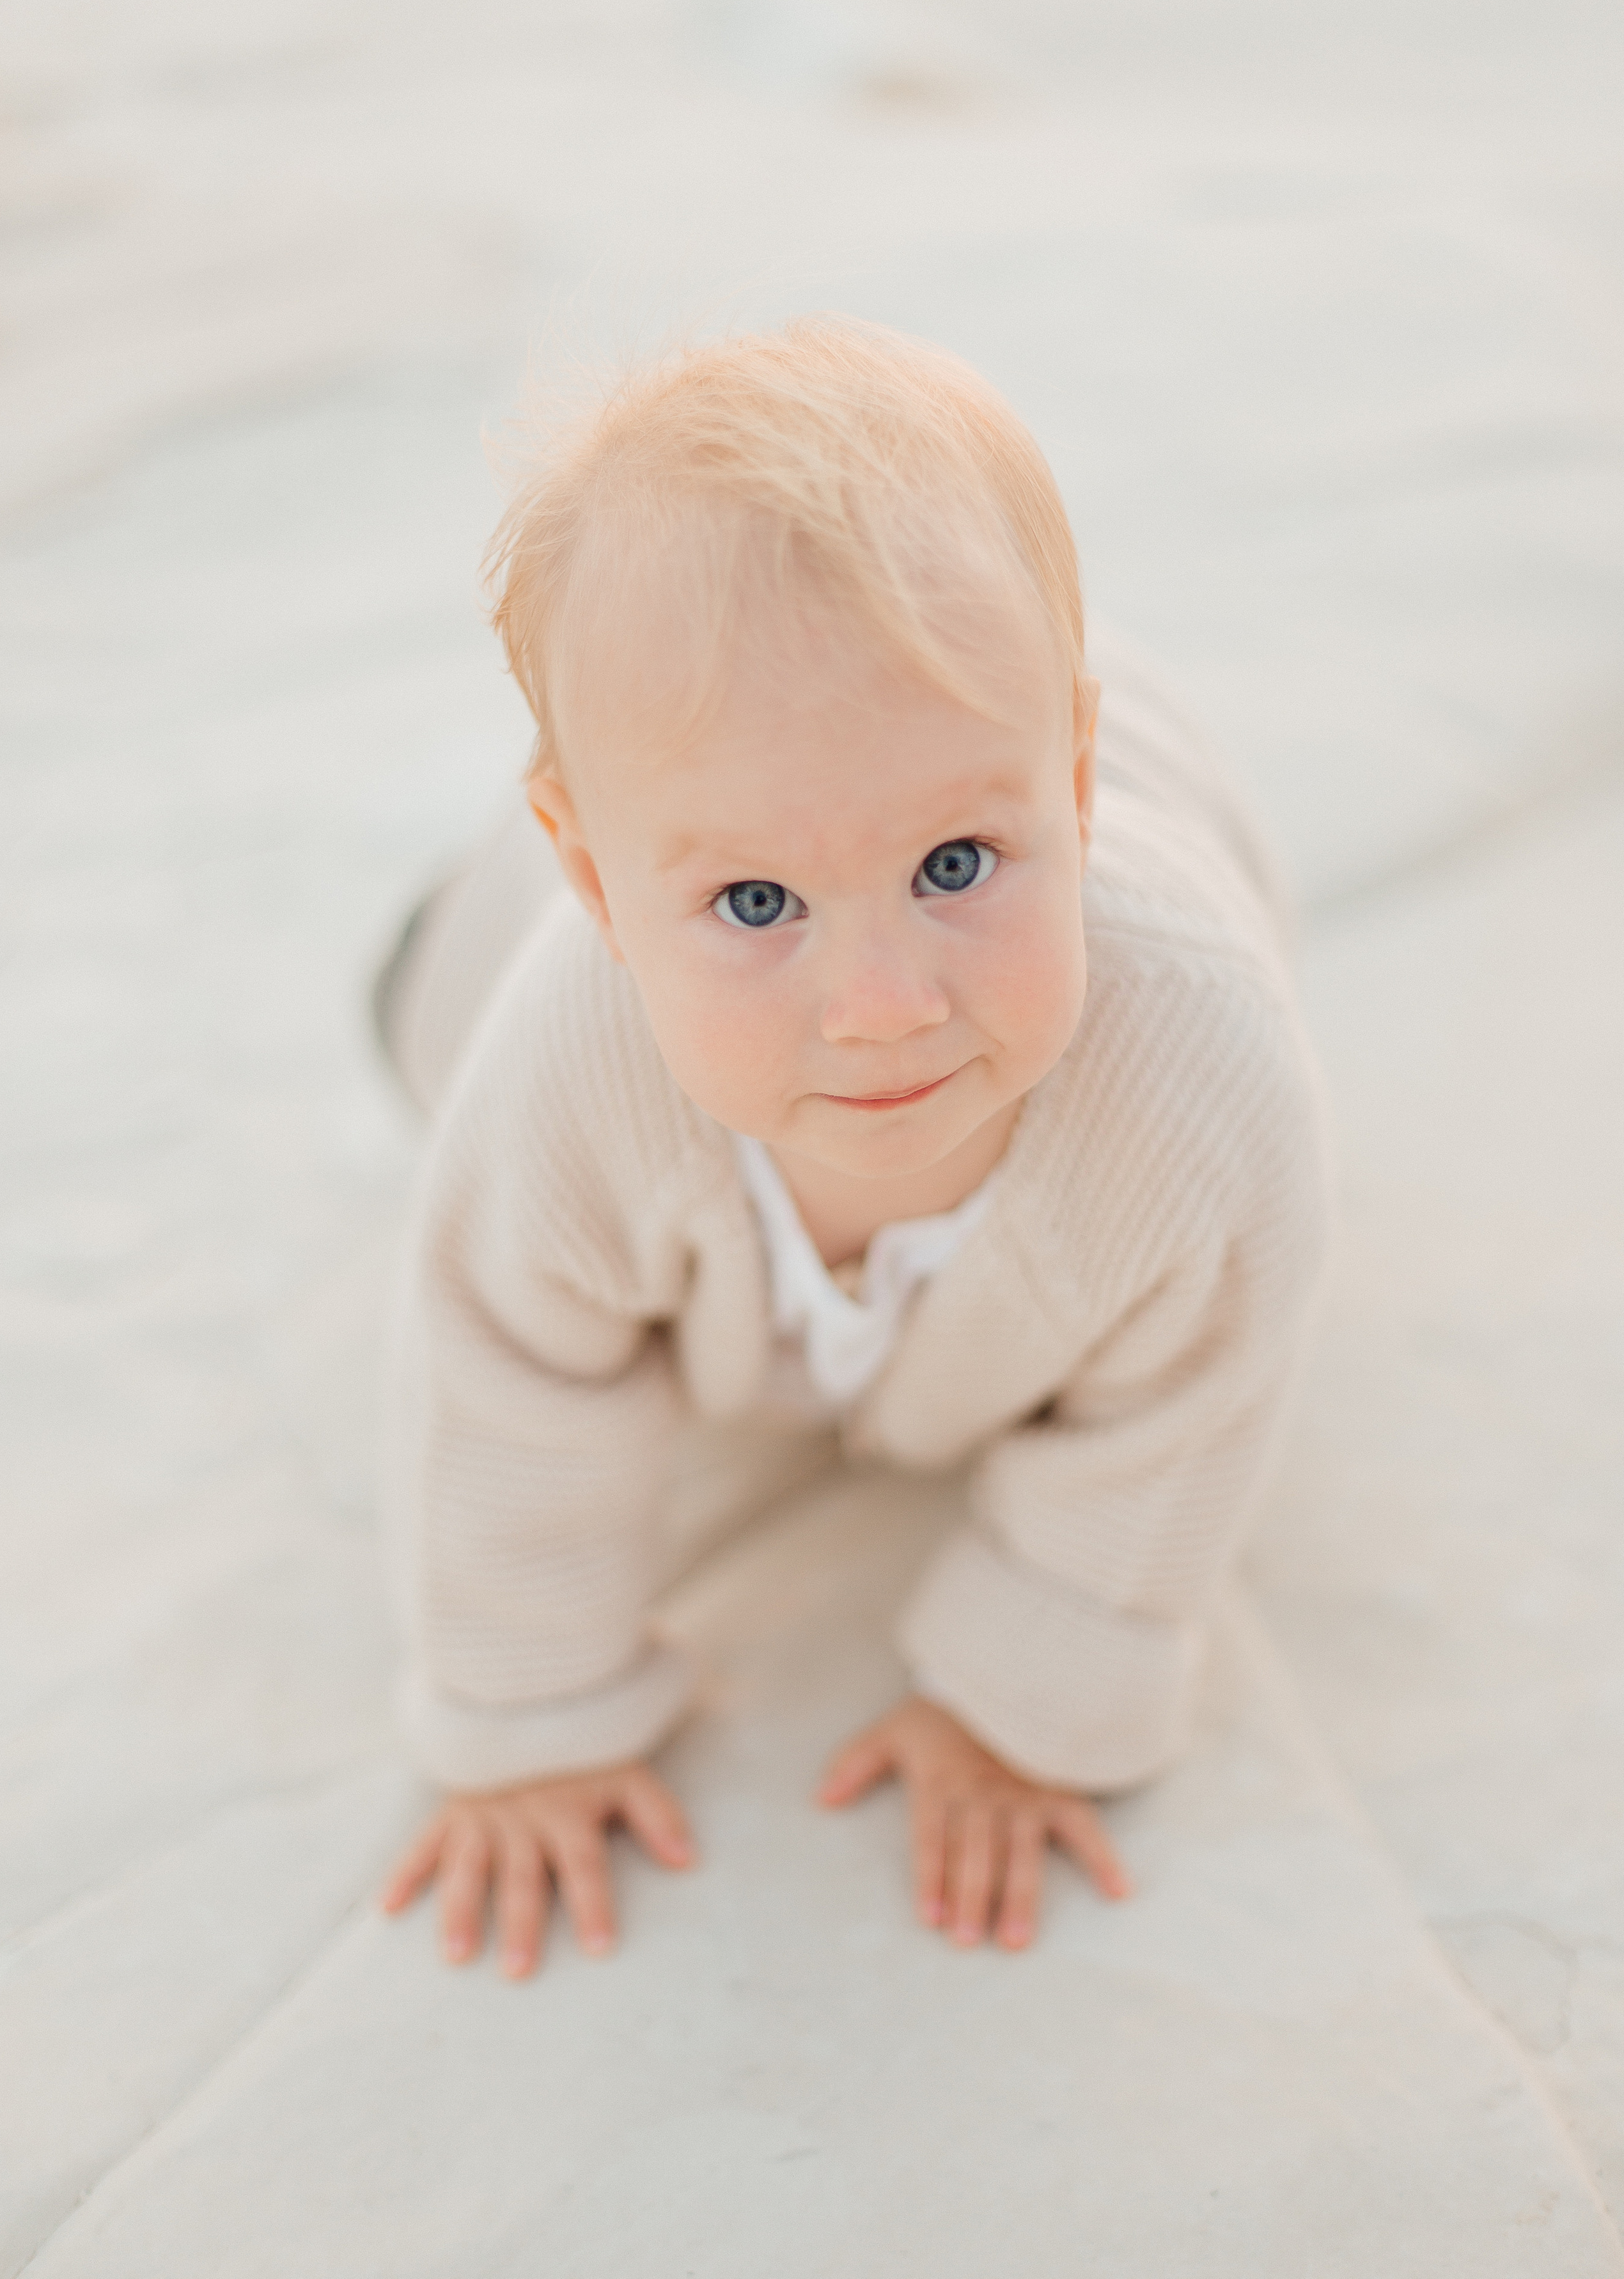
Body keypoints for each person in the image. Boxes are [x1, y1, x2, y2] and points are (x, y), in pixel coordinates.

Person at [377, 317, 1331, 1980]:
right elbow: (500, 1366)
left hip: (1122, 837)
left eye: (962, 862)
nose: (884, 1006)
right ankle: (467, 919)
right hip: (499, 963)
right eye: (758, 903)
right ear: (601, 885)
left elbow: (1194, 1394)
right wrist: (530, 1709)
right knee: (424, 1026)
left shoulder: (1198, 1074)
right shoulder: (569, 1063)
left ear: (1077, 789)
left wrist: (1036, 1690)